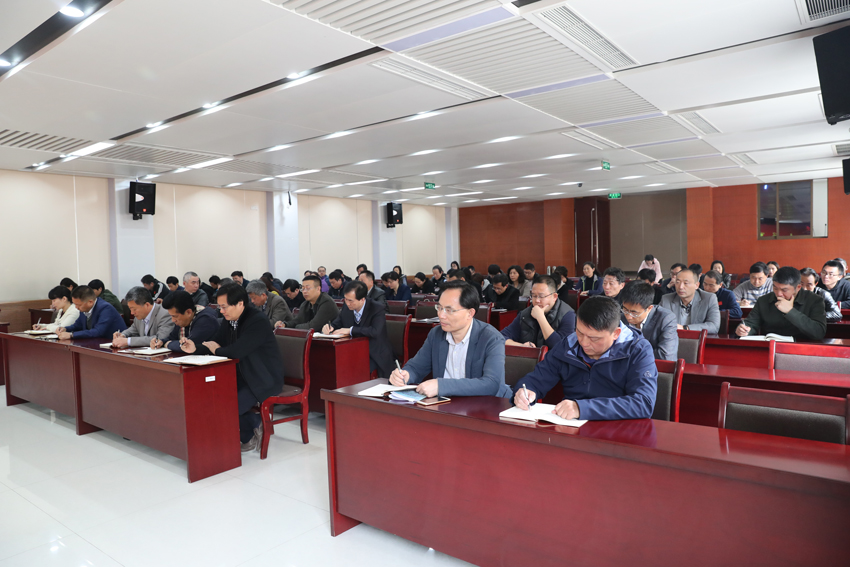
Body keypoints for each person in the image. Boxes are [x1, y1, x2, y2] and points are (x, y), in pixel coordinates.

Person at [511, 296, 657, 421]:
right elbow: (538, 378)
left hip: (618, 428)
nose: (583, 342)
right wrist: (525, 391)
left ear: (616, 333)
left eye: (594, 338)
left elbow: (643, 403)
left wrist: (581, 408)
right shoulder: (568, 344)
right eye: (580, 332)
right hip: (570, 426)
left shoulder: (638, 349)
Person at [183, 283, 283, 452]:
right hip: (240, 375)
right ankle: (252, 425)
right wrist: (195, 348)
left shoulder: (257, 320)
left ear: (240, 304)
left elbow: (236, 351)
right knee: (210, 400)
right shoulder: (230, 320)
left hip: (262, 378)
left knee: (227, 406)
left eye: (224, 307)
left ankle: (251, 428)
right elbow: (215, 342)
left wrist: (217, 350)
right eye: (220, 307)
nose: (221, 311)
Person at [389, 281, 506, 397]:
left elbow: (491, 384)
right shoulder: (436, 334)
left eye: (449, 310)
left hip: (484, 405)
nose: (441, 315)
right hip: (446, 403)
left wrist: (441, 386)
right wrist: (405, 375)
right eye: (439, 308)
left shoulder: (491, 338)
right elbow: (416, 367)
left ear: (470, 313)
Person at [323, 281, 394, 377]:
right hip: (352, 351)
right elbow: (338, 322)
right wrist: (330, 327)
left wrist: (351, 330)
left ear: (362, 299)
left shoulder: (377, 308)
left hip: (374, 353)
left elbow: (375, 331)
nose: (347, 303)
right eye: (345, 299)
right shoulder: (346, 306)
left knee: (356, 370)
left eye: (350, 301)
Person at [736, 267, 826, 341]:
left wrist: (790, 311)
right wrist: (743, 330)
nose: (778, 294)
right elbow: (750, 324)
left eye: (784, 290)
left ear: (798, 287)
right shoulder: (763, 300)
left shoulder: (814, 300)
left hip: (802, 349)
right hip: (770, 346)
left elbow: (819, 332)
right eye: (775, 288)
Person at [502, 275, 576, 349]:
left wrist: (541, 318)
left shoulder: (567, 315)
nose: (537, 300)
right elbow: (501, 338)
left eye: (541, 296)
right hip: (530, 356)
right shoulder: (525, 314)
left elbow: (563, 347)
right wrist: (522, 346)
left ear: (554, 297)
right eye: (534, 296)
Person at [619, 281, 678, 361]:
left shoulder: (666, 319)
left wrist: (629, 354)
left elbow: (665, 355)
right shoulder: (620, 317)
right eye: (625, 310)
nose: (628, 317)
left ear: (649, 308)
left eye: (634, 313)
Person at [152, 291, 220, 352]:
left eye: (175, 316)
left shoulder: (206, 320)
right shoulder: (183, 319)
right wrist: (161, 342)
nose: (173, 320)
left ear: (188, 312)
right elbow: (172, 338)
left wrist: (168, 344)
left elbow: (188, 346)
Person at [659, 268, 720, 333]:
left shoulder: (709, 299)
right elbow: (657, 323)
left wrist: (685, 328)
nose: (680, 287)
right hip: (672, 338)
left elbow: (714, 326)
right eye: (677, 282)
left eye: (686, 283)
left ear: (696, 285)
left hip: (697, 339)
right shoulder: (666, 299)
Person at [56, 285, 127, 340]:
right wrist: (65, 329)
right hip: (95, 343)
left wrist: (71, 335)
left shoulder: (105, 308)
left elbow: (98, 331)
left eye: (78, 305)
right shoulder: (84, 308)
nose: (76, 307)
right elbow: (77, 325)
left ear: (90, 302)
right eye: (75, 304)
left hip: (113, 345)